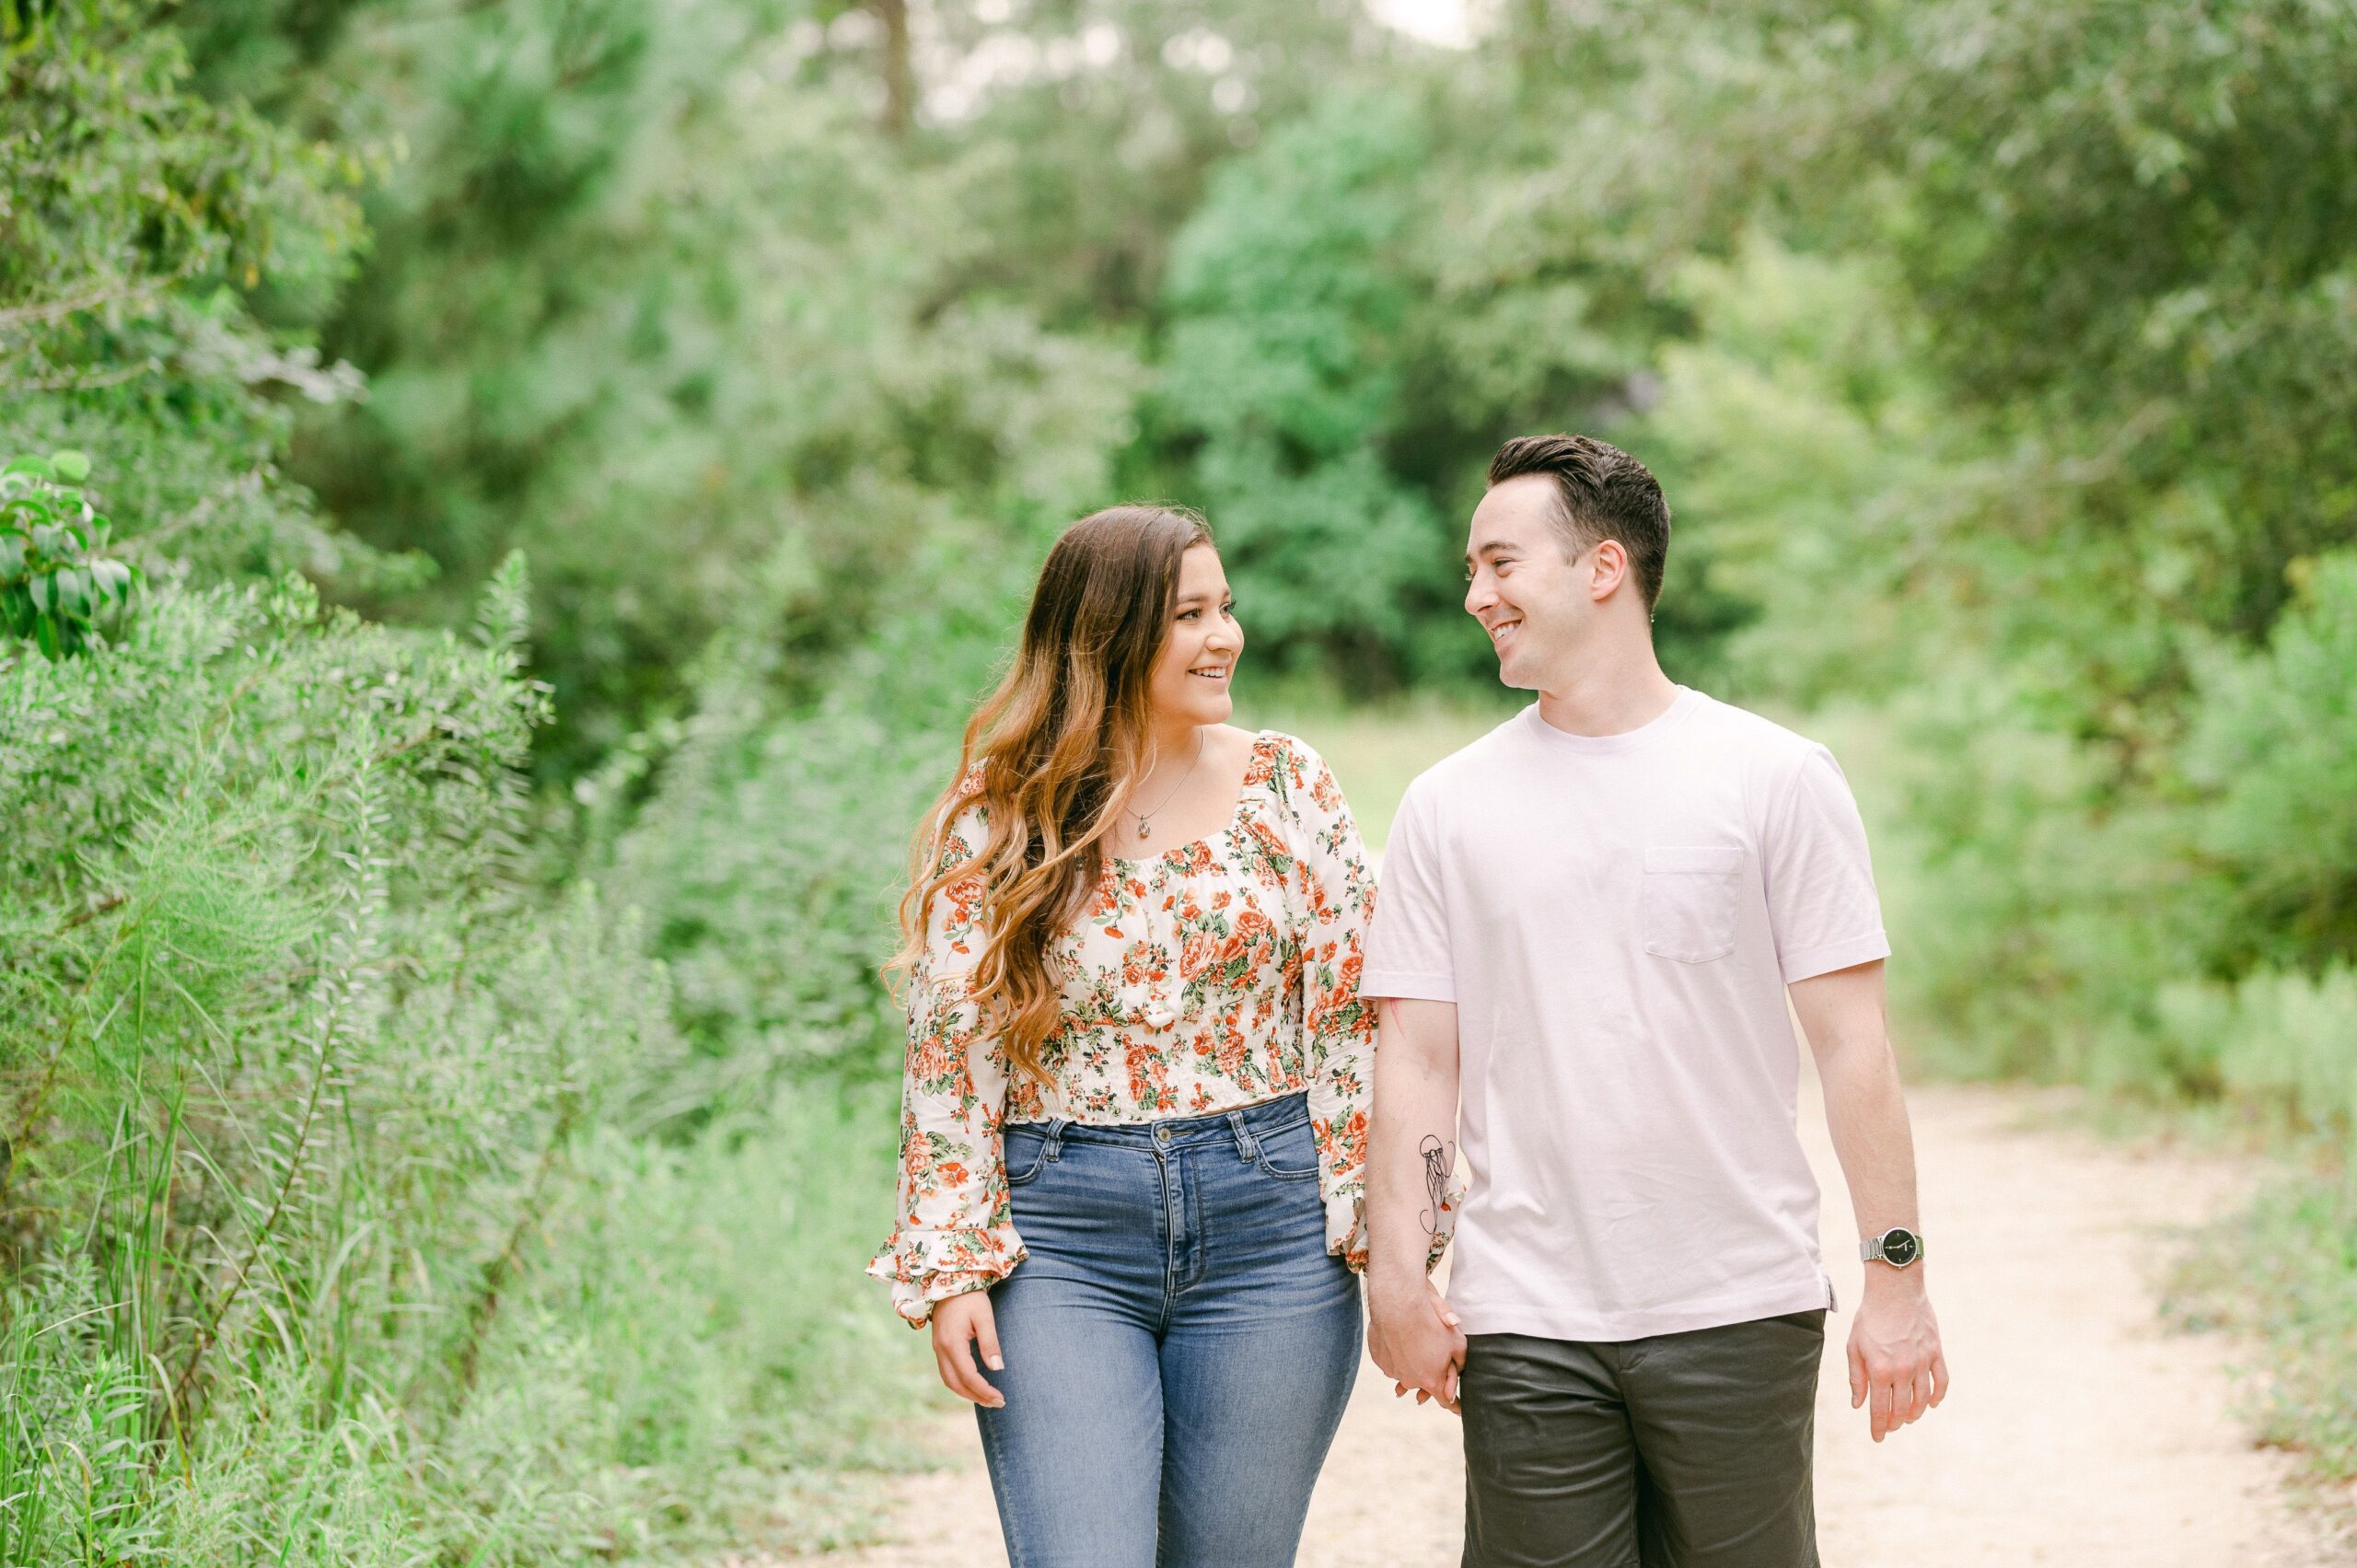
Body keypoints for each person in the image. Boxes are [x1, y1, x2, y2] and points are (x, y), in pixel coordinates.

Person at [1363, 435, 1949, 1567]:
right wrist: (1399, 1270)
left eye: (1498, 562)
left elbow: (1852, 1044)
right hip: (1526, 1315)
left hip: (1737, 1302)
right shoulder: (1446, 806)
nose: (1474, 594)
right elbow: (1417, 1058)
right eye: (1470, 570)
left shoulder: (1774, 776)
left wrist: (1898, 1277)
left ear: (1602, 567)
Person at [867, 504, 1377, 1568]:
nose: (1224, 634)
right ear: (1104, 635)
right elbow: (950, 1053)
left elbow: (1349, 1018)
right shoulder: (1003, 813)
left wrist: (1388, 1232)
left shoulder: (1288, 784)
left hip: (1269, 1229)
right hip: (1060, 1235)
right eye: (1189, 613)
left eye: (1225, 606)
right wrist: (954, 1262)